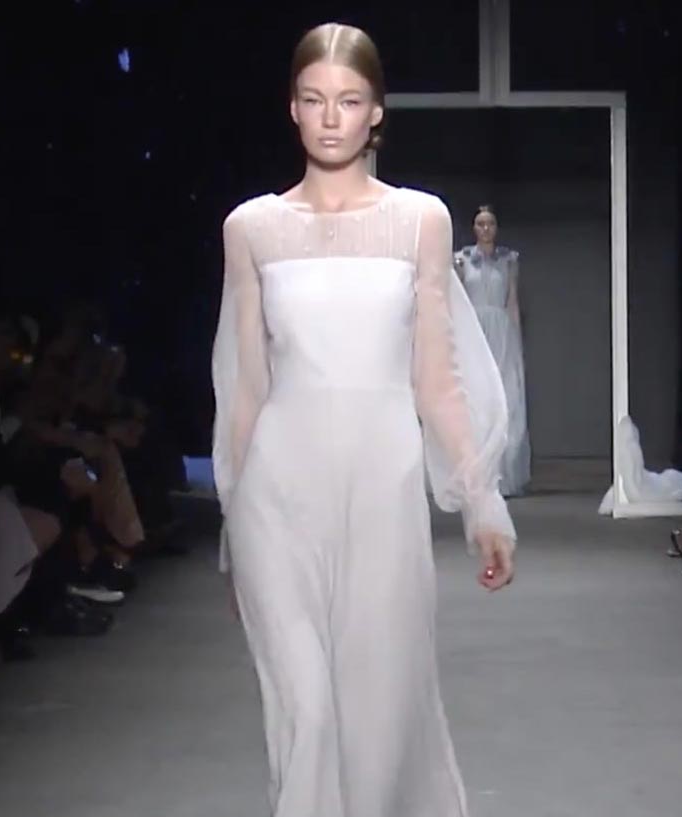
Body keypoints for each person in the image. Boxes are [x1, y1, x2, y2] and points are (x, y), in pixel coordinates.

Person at [210, 22, 517, 817]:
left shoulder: (421, 221)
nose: (330, 118)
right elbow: (245, 386)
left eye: (348, 101)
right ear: (292, 108)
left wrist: (481, 502)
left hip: (383, 492)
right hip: (275, 496)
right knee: (306, 717)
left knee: (380, 723)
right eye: (314, 100)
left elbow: (437, 378)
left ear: (376, 111)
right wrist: (230, 526)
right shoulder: (251, 228)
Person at [454, 204, 530, 495]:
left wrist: (516, 339)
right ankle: (473, 475)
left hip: (501, 331)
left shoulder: (509, 260)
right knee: (474, 398)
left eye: (490, 224)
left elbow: (512, 301)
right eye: (480, 224)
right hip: (473, 330)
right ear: (474, 228)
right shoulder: (462, 260)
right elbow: (457, 302)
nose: (486, 229)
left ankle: (503, 475)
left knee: (506, 397)